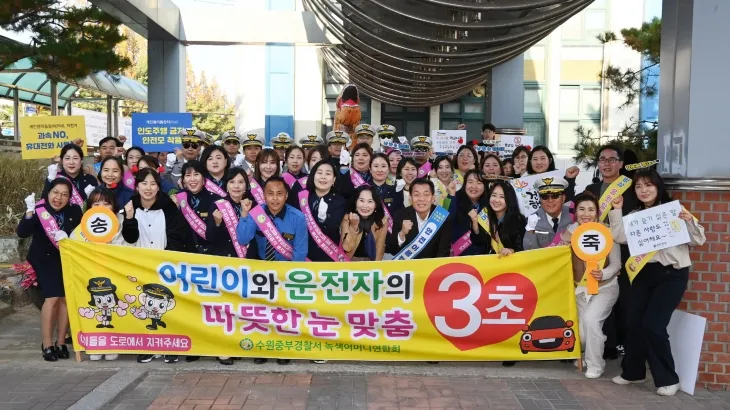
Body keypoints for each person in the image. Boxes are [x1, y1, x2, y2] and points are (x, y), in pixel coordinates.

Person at [609, 170, 705, 396]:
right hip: (644, 273)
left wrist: (689, 221)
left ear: (658, 187)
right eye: (638, 186)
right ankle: (633, 372)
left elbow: (699, 239)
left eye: (648, 185)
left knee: (653, 325)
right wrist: (617, 210)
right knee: (633, 323)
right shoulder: (635, 215)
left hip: (672, 275)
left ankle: (668, 379)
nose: (643, 190)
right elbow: (620, 237)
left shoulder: (674, 211)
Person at [123, 168, 192, 364]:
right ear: (137, 186)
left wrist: (168, 261)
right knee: (144, 306)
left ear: (158, 187)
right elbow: (129, 239)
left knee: (167, 307)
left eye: (153, 184)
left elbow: (177, 237)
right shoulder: (130, 206)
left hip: (165, 267)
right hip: (140, 267)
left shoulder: (168, 207)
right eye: (144, 183)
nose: (148, 188)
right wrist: (129, 218)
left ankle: (169, 346)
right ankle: (147, 346)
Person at [236, 176, 308, 366]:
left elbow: (300, 252)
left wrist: (291, 278)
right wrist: (244, 214)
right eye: (270, 194)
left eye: (279, 194)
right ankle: (262, 348)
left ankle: (283, 348)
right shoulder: (256, 213)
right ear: (264, 195)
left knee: (283, 313)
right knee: (263, 313)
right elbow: (243, 239)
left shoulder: (298, 218)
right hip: (262, 272)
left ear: (286, 196)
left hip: (285, 272)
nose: (275, 198)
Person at [17, 179, 82, 361]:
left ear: (69, 198)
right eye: (55, 192)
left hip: (66, 260)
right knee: (52, 298)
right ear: (48, 193)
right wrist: (29, 212)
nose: (58, 198)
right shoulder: (39, 210)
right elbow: (22, 232)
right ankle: (47, 344)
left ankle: (61, 342)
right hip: (43, 259)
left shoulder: (74, 211)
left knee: (66, 299)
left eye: (64, 194)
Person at [558, 192, 621, 379]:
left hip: (605, 288)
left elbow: (616, 264)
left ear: (597, 212)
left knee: (591, 321)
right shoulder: (569, 233)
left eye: (591, 210)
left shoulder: (607, 232)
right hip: (579, 289)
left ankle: (595, 365)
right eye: (582, 209)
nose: (586, 214)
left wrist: (604, 274)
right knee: (582, 333)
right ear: (575, 212)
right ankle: (586, 353)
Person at [70, 187, 136, 361]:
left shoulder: (121, 222)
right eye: (96, 204)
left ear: (114, 206)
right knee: (95, 309)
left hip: (116, 275)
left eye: (106, 203)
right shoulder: (85, 224)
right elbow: (74, 246)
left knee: (114, 309)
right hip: (91, 276)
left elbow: (130, 247)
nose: (101, 207)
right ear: (89, 207)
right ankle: (96, 344)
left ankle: (113, 343)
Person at [584, 144, 638, 360]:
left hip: (623, 250)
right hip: (595, 251)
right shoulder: (591, 189)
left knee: (623, 299)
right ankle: (607, 345)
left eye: (612, 160)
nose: (607, 164)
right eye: (602, 160)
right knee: (598, 296)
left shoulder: (631, 188)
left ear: (621, 164)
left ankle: (622, 342)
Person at [386, 178, 452, 259]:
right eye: (416, 195)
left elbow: (444, 252)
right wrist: (402, 234)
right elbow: (393, 250)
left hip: (433, 265)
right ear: (410, 198)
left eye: (426, 194)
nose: (421, 199)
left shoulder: (442, 216)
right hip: (408, 265)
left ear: (433, 198)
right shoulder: (400, 216)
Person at [297, 160, 346, 262]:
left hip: (328, 257)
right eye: (319, 173)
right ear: (313, 176)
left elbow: (332, 227)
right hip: (303, 255)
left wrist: (323, 219)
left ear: (334, 179)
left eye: (328, 174)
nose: (323, 177)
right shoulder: (302, 197)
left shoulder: (340, 201)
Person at [206, 167, 258, 259]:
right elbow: (210, 238)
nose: (236, 186)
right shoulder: (217, 205)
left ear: (246, 186)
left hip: (248, 259)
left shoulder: (253, 206)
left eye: (241, 182)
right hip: (225, 259)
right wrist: (217, 224)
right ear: (226, 185)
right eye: (232, 182)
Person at [174, 160, 223, 255]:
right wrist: (174, 208)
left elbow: (221, 235)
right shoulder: (178, 198)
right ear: (183, 180)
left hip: (209, 254)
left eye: (196, 174)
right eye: (188, 175)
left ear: (204, 178)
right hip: (184, 254)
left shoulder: (216, 200)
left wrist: (217, 224)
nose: (192, 179)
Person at [523, 177, 573, 250]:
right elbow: (529, 250)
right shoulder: (533, 220)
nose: (550, 200)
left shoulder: (574, 215)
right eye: (544, 196)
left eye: (555, 196)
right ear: (540, 199)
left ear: (563, 198)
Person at [447, 170, 489, 256]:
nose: (474, 186)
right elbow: (446, 221)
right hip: (458, 255)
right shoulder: (453, 198)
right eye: (470, 182)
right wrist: (451, 196)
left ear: (485, 186)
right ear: (465, 184)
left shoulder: (489, 204)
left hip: (481, 255)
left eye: (478, 183)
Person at [341, 186, 388, 261]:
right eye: (361, 200)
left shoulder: (382, 220)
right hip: (350, 260)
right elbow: (347, 247)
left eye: (370, 201)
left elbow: (380, 247)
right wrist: (354, 226)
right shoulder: (347, 218)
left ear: (375, 205)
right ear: (356, 202)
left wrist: (376, 266)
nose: (365, 206)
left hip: (371, 261)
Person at [370, 153, 401, 225]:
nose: (380, 170)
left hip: (390, 230)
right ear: (370, 169)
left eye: (383, 166)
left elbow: (399, 214)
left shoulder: (396, 191)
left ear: (388, 169)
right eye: (376, 166)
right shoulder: (362, 189)